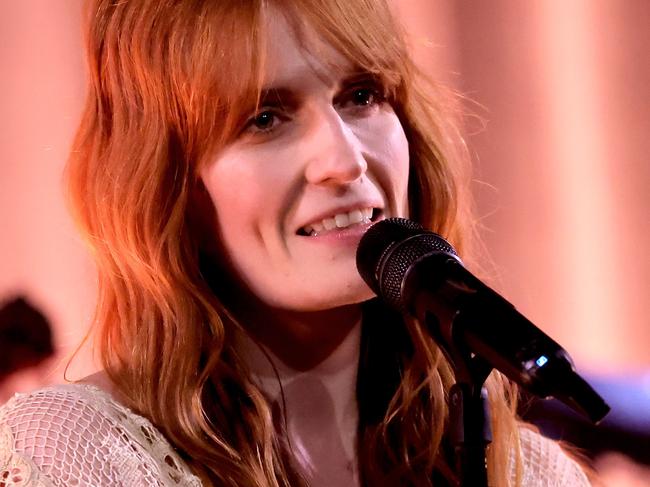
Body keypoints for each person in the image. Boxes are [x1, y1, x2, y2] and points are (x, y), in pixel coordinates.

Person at [0, 0, 593, 485]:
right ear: (169, 184)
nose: (343, 160)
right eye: (264, 118)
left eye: (361, 96)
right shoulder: (75, 456)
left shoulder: (525, 473)